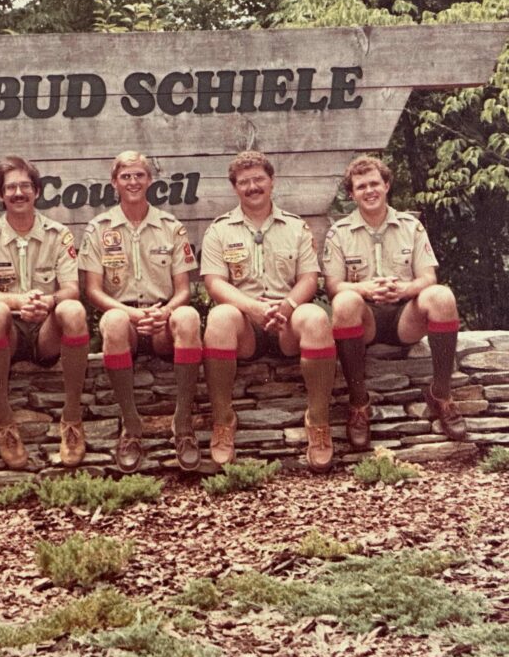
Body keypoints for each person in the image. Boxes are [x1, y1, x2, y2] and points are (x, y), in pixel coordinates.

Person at [200, 151, 337, 472]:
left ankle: (318, 421)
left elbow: (308, 278)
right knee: (219, 317)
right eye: (244, 182)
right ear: (235, 188)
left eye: (258, 179)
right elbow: (215, 283)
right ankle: (223, 421)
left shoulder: (295, 227)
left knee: (317, 318)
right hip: (245, 323)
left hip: (288, 320)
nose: (252, 187)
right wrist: (253, 308)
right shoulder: (220, 230)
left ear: (271, 182)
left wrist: (287, 307)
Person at [323, 155, 466, 448]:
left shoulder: (410, 226)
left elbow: (428, 277)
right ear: (352, 194)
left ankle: (441, 393)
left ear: (386, 185)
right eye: (361, 186)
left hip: (404, 316)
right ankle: (359, 403)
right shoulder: (339, 233)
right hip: (366, 320)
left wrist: (403, 289)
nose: (369, 191)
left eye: (374, 183)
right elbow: (334, 286)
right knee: (345, 302)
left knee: (441, 296)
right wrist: (365, 289)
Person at [78, 151, 203, 472]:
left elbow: (184, 290)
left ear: (149, 180)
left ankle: (184, 423)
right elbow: (93, 291)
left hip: (164, 318)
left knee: (188, 317)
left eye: (139, 175)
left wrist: (165, 312)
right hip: (125, 318)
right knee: (115, 322)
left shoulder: (170, 227)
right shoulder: (99, 228)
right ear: (114, 182)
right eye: (125, 176)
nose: (133, 182)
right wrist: (132, 315)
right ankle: (132, 427)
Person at [0, 156, 90, 469]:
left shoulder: (58, 234)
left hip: (46, 332)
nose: (18, 192)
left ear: (37, 191)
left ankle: (73, 417)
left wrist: (49, 302)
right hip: (10, 333)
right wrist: (19, 302)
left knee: (74, 310)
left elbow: (71, 288)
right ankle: (4, 420)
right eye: (10, 187)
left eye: (25, 185)